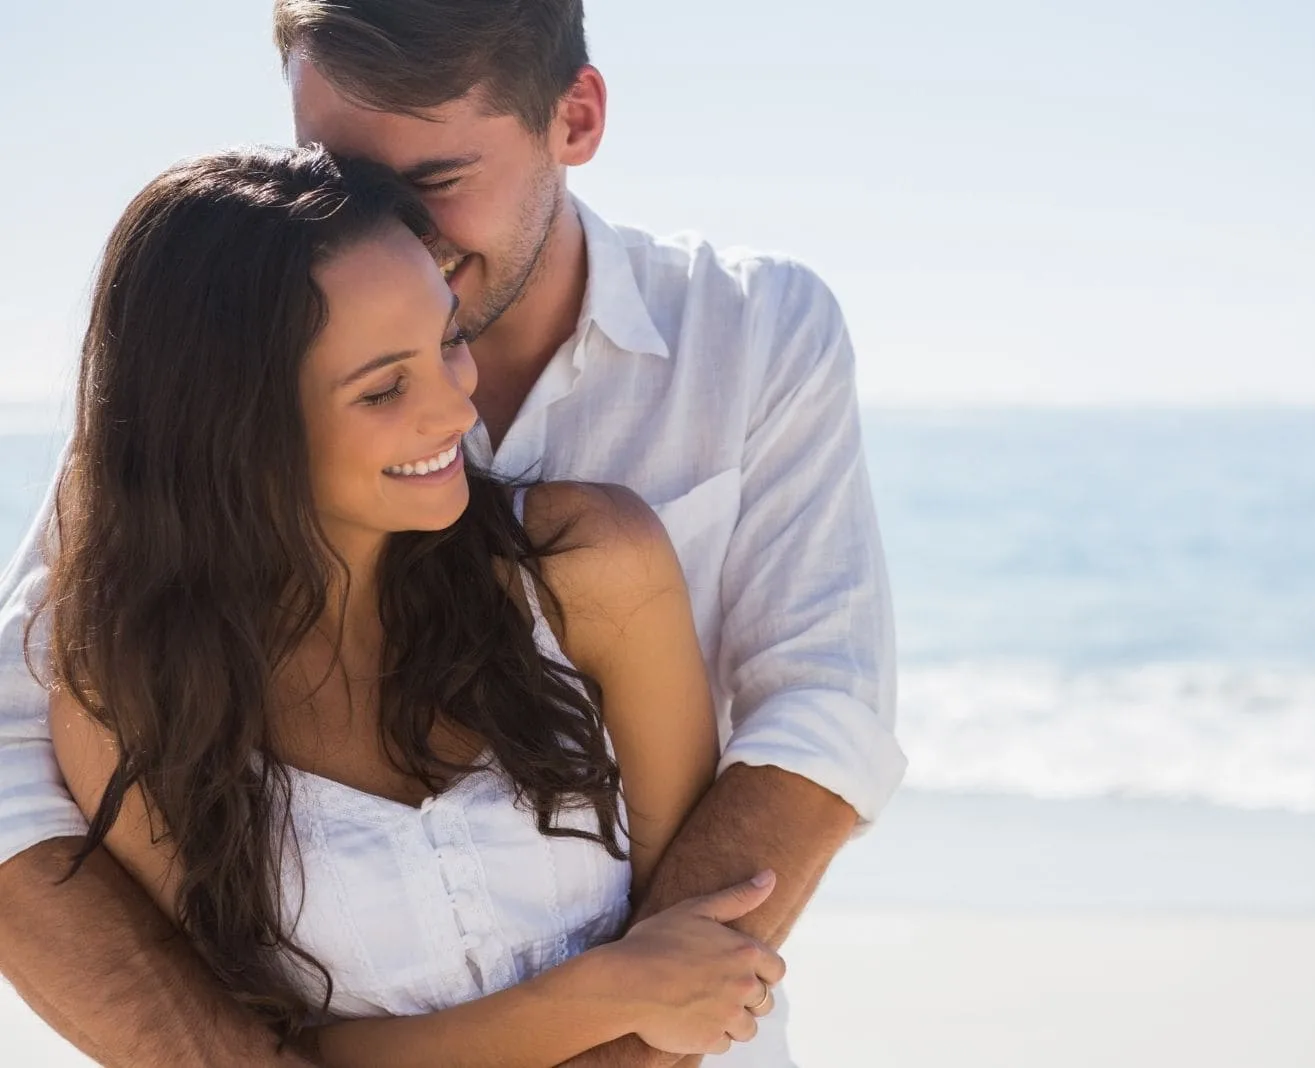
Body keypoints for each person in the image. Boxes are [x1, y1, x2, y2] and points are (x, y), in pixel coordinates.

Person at [0, 2, 904, 1066]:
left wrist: (641, 1034)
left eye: (432, 183)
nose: (398, 233)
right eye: (338, 173)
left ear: (575, 118)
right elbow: (19, 744)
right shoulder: (214, 419)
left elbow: (819, 713)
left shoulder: (751, 334)